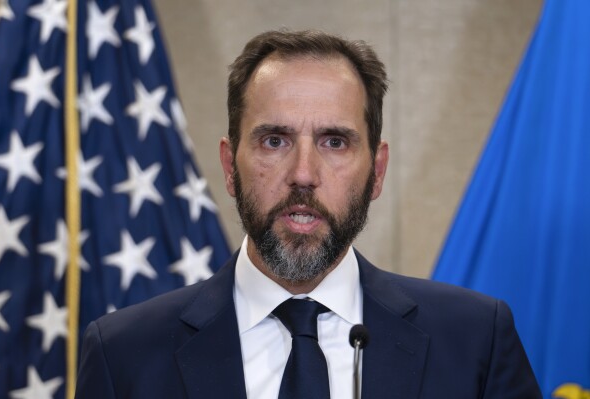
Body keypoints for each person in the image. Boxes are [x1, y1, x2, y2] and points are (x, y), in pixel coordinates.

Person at [75, 29, 542, 399]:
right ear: (229, 166)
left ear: (376, 171)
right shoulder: (125, 355)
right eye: (274, 140)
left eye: (334, 142)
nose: (303, 173)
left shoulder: (475, 340)